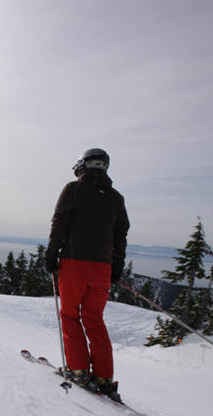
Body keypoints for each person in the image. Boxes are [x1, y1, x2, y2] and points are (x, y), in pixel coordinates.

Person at [45, 148, 129, 402]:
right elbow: (120, 236)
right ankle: (104, 377)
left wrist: (51, 255)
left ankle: (79, 370)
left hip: (74, 264)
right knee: (94, 319)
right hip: (101, 268)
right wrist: (116, 267)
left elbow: (60, 223)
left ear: (82, 165)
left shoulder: (73, 189)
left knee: (70, 315)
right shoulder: (116, 198)